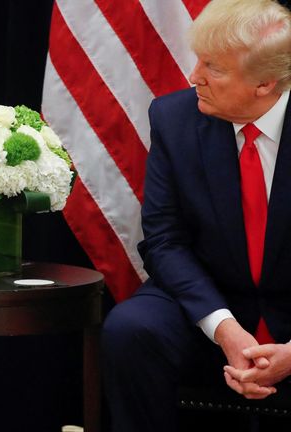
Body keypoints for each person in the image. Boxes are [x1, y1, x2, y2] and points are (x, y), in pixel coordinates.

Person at [102, 0, 291, 430]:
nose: (194, 78)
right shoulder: (175, 118)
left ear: (265, 84)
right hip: (210, 299)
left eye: (214, 68)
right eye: (199, 61)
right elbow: (165, 239)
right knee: (131, 329)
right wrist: (225, 329)